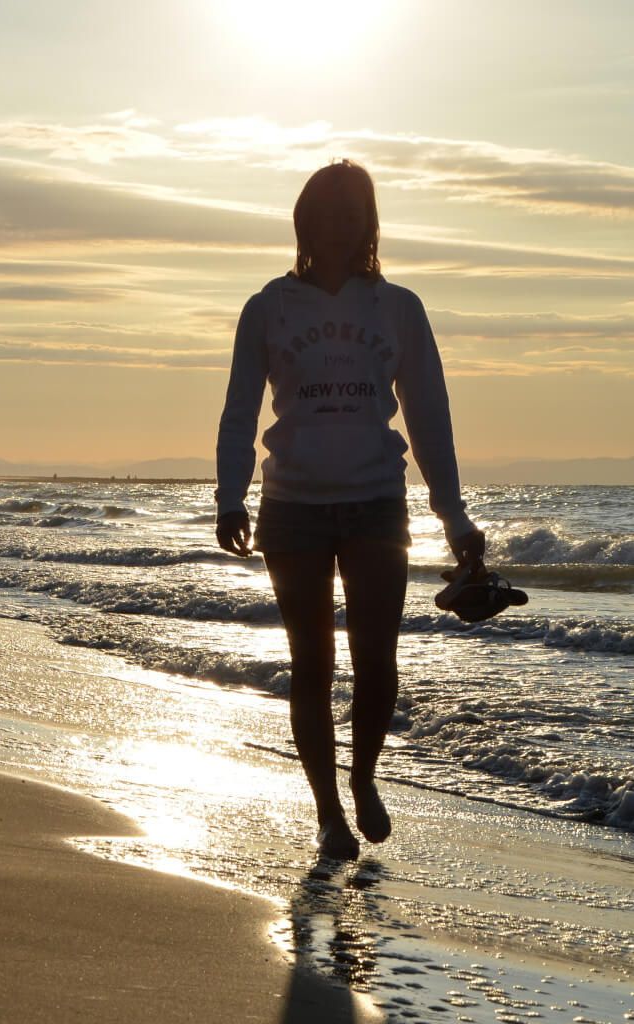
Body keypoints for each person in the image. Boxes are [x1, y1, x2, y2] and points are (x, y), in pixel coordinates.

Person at [215, 160, 484, 860]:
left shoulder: (397, 308)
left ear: (367, 223)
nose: (339, 223)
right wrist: (228, 494)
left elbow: (429, 419)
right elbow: (238, 410)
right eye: (327, 210)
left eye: (353, 211)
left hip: (374, 501)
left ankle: (363, 776)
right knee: (310, 662)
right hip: (292, 506)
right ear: (304, 220)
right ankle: (327, 812)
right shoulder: (268, 306)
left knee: (376, 661)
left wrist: (453, 517)